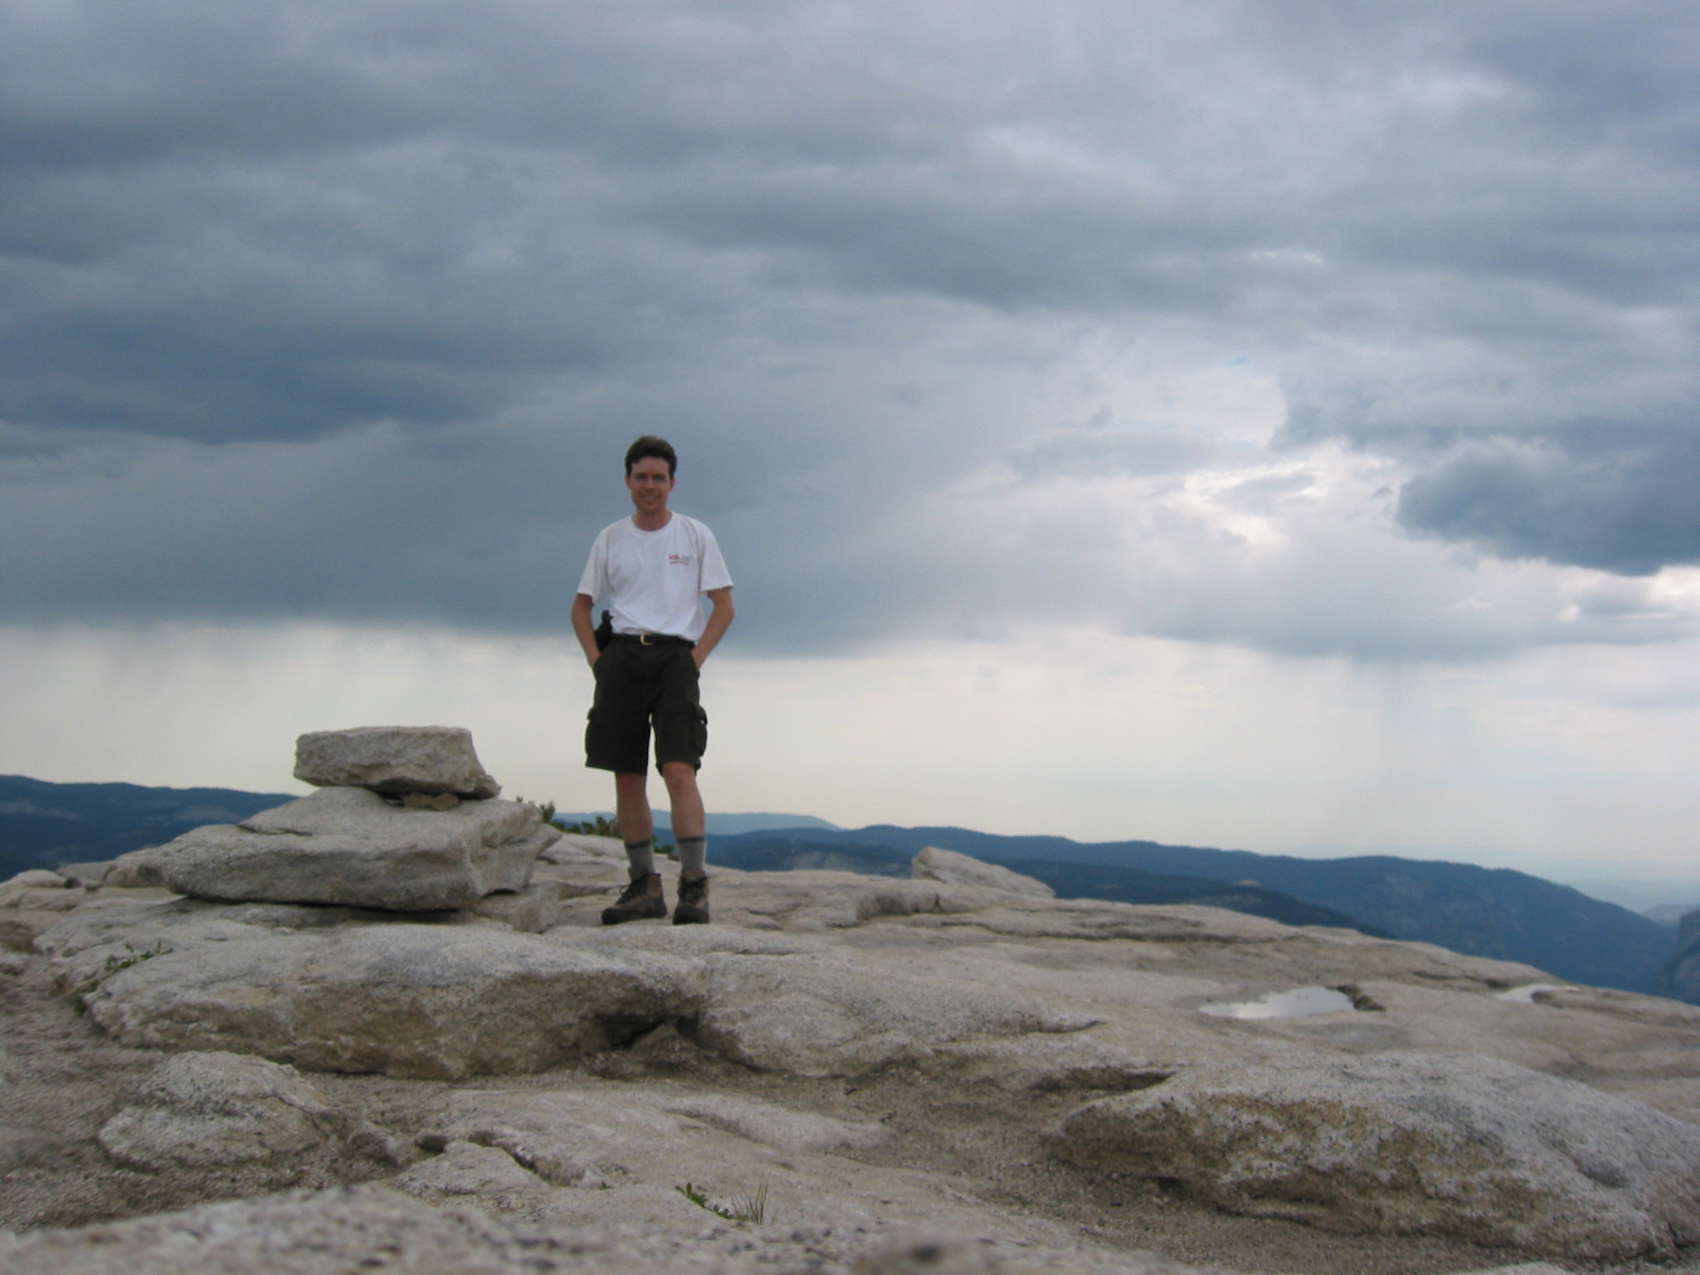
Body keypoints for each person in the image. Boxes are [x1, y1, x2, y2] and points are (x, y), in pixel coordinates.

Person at [572, 436, 735, 925]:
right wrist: (598, 661)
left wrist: (695, 659)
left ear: (672, 483)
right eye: (641, 477)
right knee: (628, 775)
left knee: (679, 769)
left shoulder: (694, 535)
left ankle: (694, 886)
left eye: (658, 478)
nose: (649, 486)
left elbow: (724, 605)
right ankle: (643, 886)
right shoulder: (610, 538)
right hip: (622, 657)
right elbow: (581, 606)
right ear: (628, 481)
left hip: (676, 659)